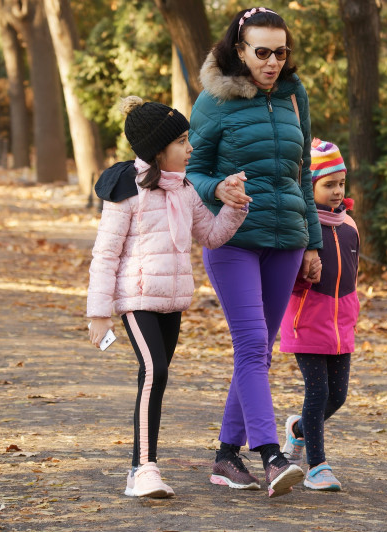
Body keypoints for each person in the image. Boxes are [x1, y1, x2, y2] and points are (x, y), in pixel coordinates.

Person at [186, 7, 323, 498]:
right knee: (250, 348)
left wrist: (312, 241)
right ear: (239, 50)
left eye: (280, 53)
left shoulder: (293, 95)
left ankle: (226, 456)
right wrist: (217, 188)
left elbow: (302, 172)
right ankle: (270, 455)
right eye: (261, 52)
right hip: (234, 240)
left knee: (260, 350)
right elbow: (190, 170)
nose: (271, 62)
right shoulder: (214, 100)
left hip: (285, 239)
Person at [86, 96, 248, 499]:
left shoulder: (185, 190)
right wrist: (99, 313)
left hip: (172, 299)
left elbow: (209, 236)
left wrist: (233, 207)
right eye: (181, 141)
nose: (190, 148)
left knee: (154, 380)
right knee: (155, 371)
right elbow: (105, 254)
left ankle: (138, 468)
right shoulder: (127, 191)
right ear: (158, 150)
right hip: (136, 297)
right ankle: (145, 469)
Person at [279, 139, 360, 492]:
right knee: (317, 391)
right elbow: (289, 277)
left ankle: (298, 430)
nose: (337, 191)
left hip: (341, 325)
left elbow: (353, 275)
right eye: (329, 184)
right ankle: (317, 465)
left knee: (337, 396)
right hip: (308, 321)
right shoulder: (301, 228)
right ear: (310, 187)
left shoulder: (350, 226)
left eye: (341, 183)